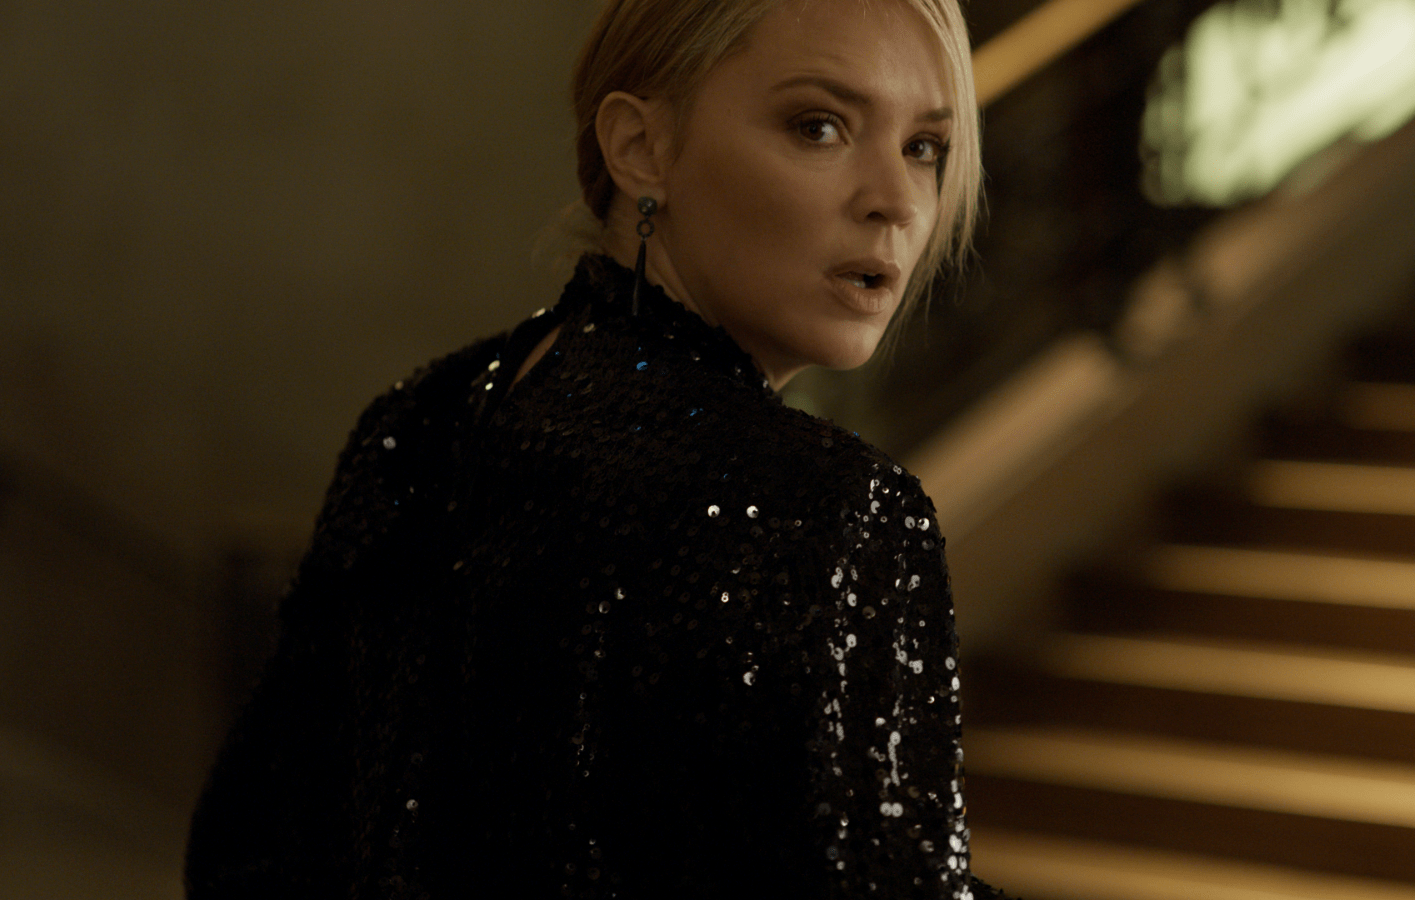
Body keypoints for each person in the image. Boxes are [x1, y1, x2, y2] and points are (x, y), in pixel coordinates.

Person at [185, 0, 1007, 897]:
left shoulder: (420, 417)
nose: (896, 201)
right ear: (640, 147)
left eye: (924, 147)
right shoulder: (834, 511)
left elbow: (245, 849)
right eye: (820, 126)